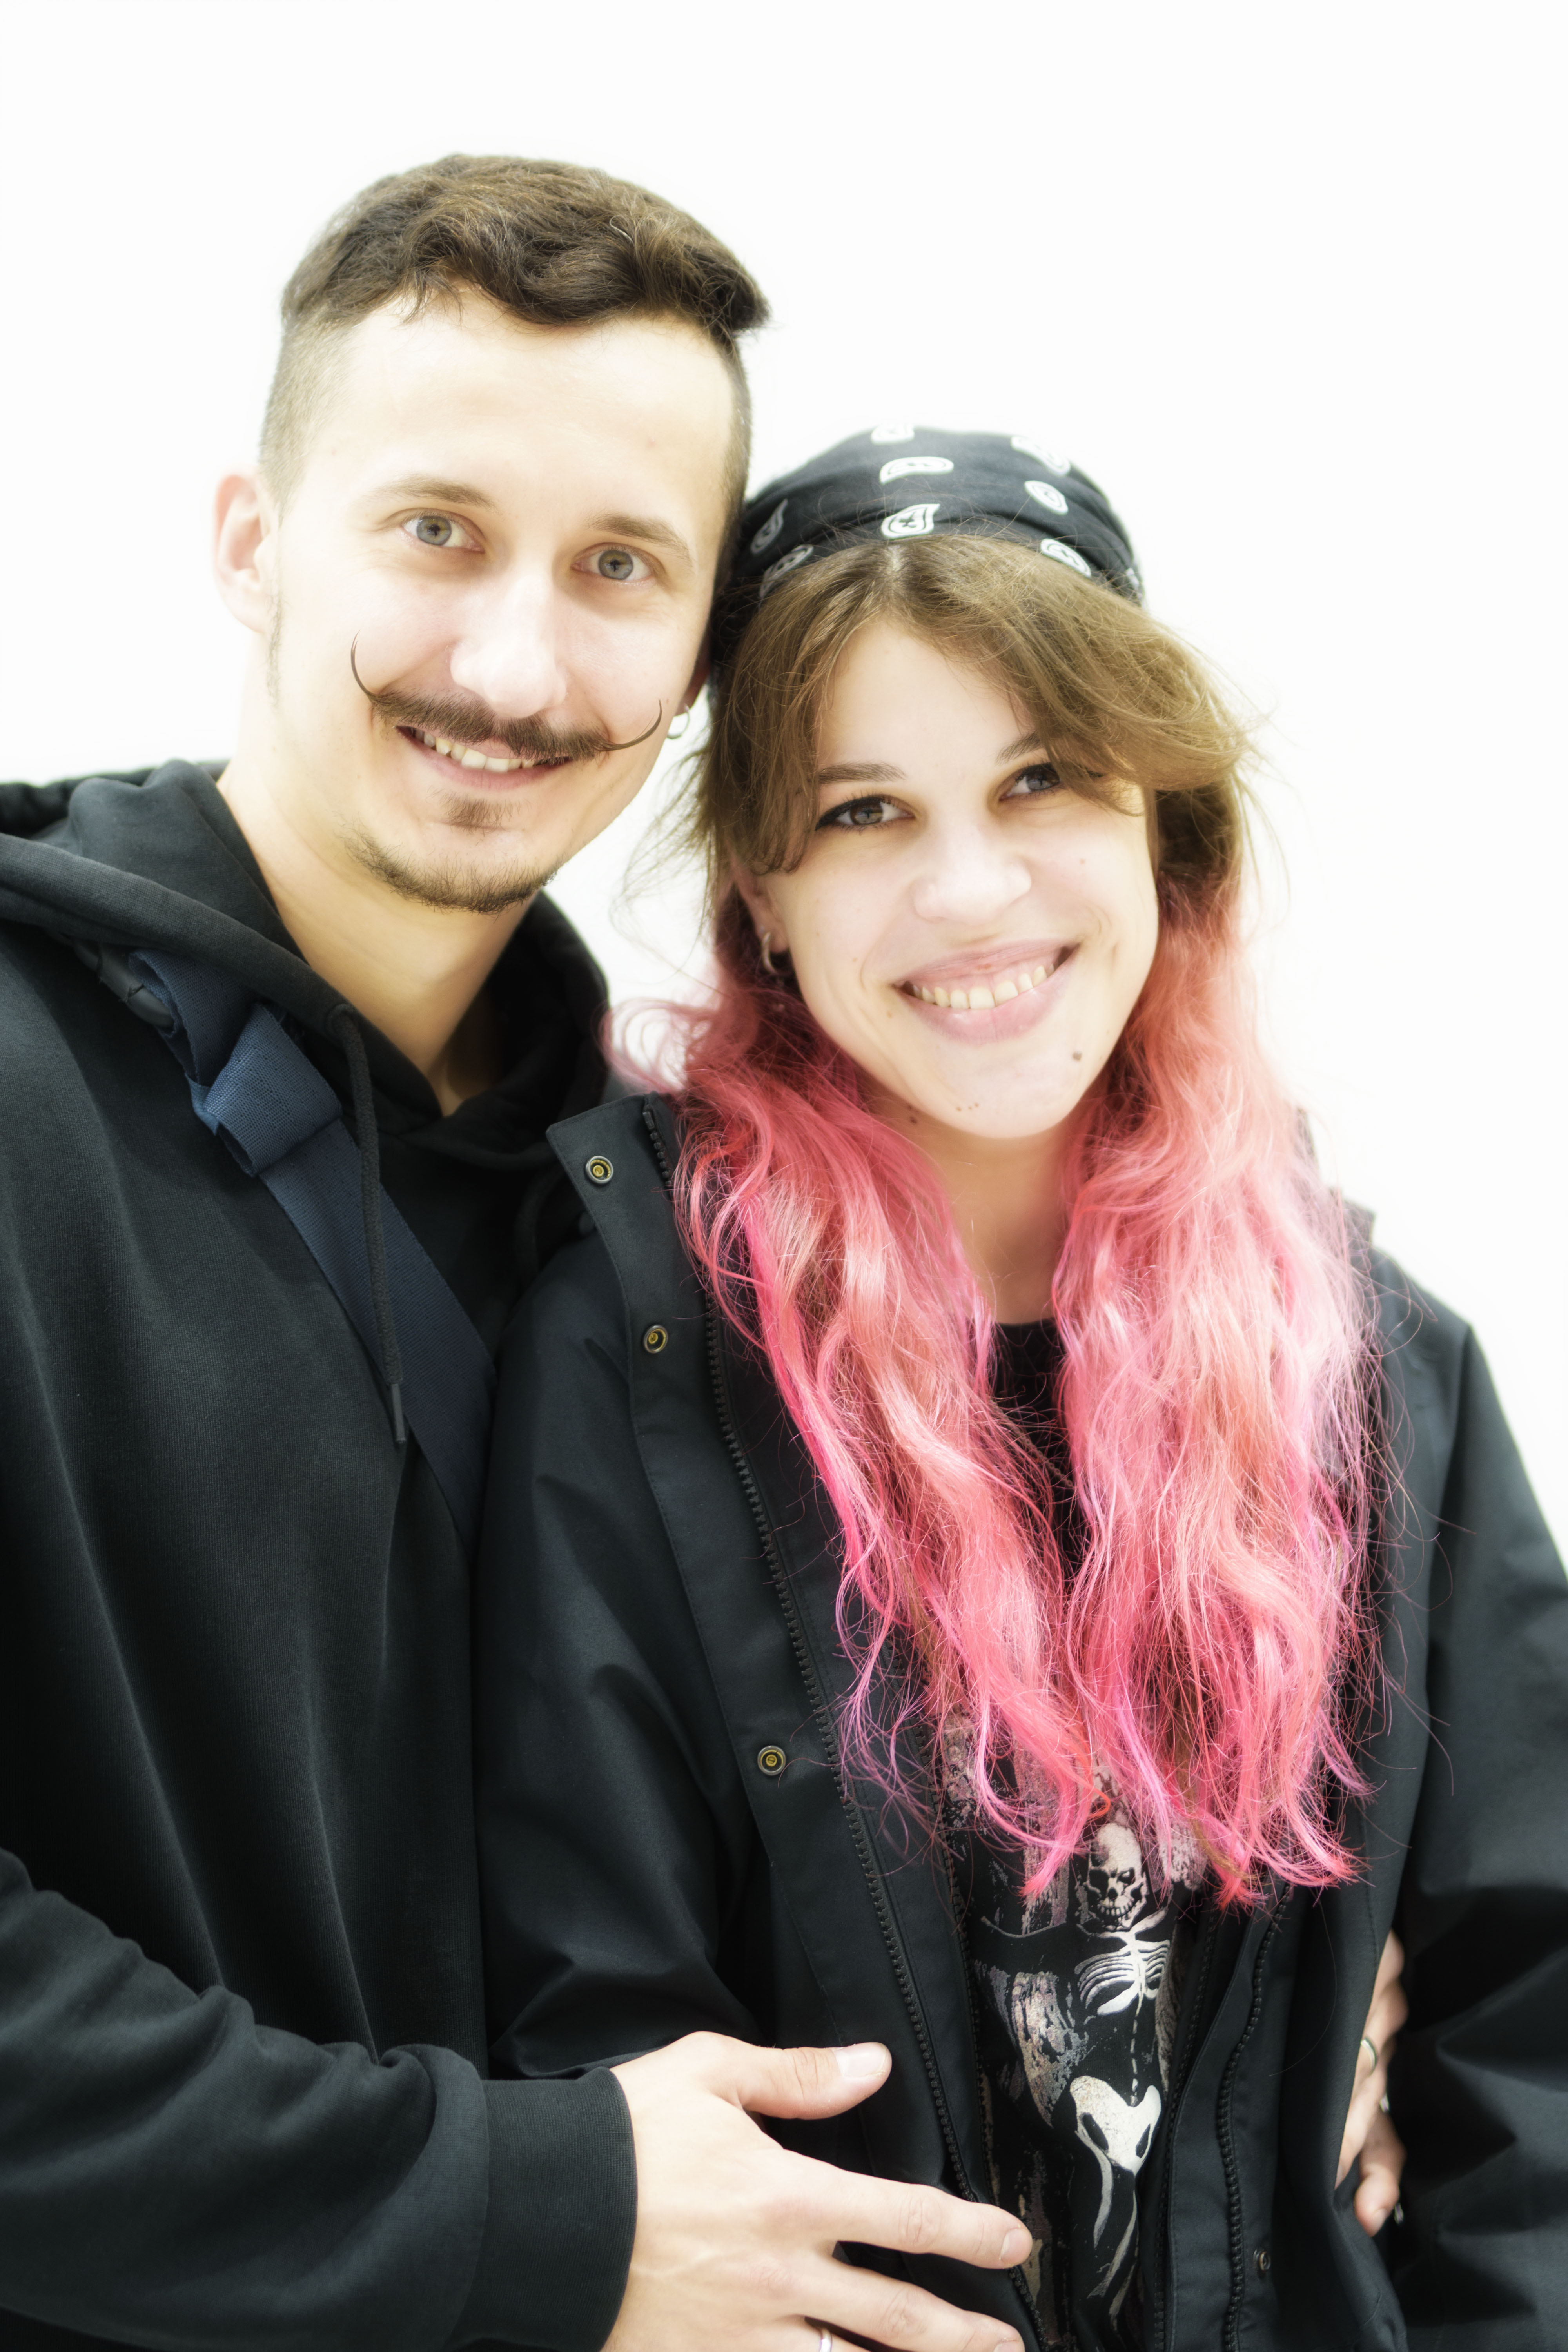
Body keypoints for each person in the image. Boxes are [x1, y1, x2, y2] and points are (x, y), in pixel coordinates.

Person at [0, 172, 1038, 2352]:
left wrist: (1311, 2002)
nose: (512, 665)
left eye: (618, 568)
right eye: (436, 531)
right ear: (253, 542)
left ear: (700, 656)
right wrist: (527, 2212)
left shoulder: (681, 1221)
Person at [477, 431, 1567, 2348]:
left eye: (1042, 779)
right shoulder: (633, 1354)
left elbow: (1529, 2018)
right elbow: (590, 2016)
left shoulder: (1372, 1367)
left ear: (1165, 823)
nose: (970, 890)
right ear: (762, 891)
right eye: (864, 812)